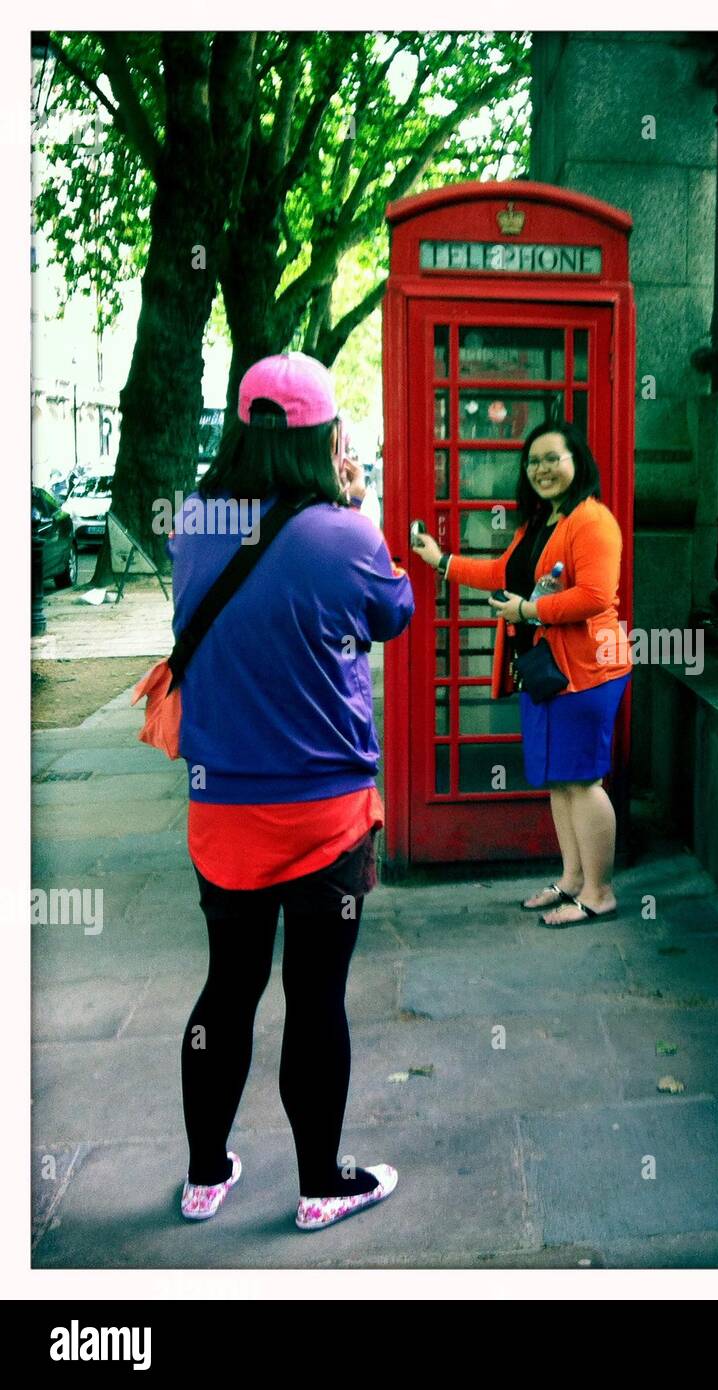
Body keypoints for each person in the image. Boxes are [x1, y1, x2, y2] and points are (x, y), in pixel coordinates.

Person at [171, 351, 414, 1230]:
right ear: (325, 438)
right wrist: (353, 509)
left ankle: (205, 1177)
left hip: (223, 804)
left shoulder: (195, 520)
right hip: (325, 809)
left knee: (227, 990)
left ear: (243, 426)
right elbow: (395, 614)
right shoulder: (344, 532)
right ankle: (320, 1186)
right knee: (316, 996)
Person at [412, 420, 632, 927]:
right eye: (534, 461)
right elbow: (502, 574)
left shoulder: (591, 521)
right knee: (560, 781)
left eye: (554, 458)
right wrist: (441, 560)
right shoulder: (540, 522)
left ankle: (599, 893)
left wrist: (528, 614)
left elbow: (597, 596)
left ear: (578, 461)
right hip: (548, 670)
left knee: (583, 780)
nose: (542, 469)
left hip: (588, 669)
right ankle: (572, 879)